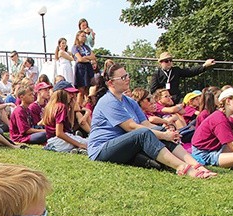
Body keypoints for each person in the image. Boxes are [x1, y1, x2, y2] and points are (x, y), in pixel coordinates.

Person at [87, 63, 215, 178]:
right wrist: (164, 135)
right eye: (123, 77)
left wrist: (165, 131)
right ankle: (183, 168)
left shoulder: (130, 101)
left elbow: (146, 124)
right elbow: (131, 127)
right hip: (102, 149)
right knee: (145, 133)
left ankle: (197, 165)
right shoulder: (108, 101)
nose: (127, 79)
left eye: (127, 75)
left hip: (123, 145)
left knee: (158, 130)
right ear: (110, 83)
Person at [191, 87, 233, 168]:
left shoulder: (223, 116)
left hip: (214, 148)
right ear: (228, 101)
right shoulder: (220, 119)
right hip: (204, 154)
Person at [149, 52, 215, 103]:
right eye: (166, 61)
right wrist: (162, 97)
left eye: (170, 60)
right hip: (163, 100)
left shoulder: (176, 70)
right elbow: (153, 90)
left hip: (176, 98)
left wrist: (204, 65)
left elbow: (190, 72)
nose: (169, 62)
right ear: (161, 62)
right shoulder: (156, 74)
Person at [41, 81, 87, 153]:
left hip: (52, 142)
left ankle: (75, 150)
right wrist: (79, 144)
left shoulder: (51, 105)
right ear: (61, 93)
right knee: (89, 143)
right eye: (69, 93)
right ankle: (78, 148)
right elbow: (59, 133)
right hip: (60, 142)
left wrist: (71, 109)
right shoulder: (61, 107)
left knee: (82, 140)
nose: (72, 96)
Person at [71, 30, 96, 107]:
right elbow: (79, 59)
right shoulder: (75, 47)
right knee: (81, 89)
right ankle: (79, 106)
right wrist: (87, 59)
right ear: (77, 37)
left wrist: (86, 57)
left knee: (88, 88)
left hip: (88, 67)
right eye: (82, 36)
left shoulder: (87, 47)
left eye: (85, 36)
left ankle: (88, 105)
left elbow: (93, 57)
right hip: (81, 68)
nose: (84, 37)